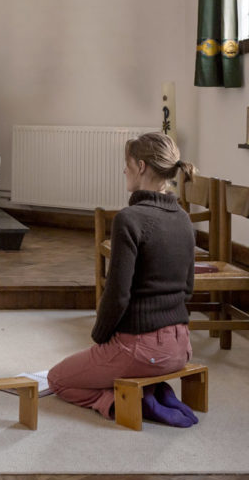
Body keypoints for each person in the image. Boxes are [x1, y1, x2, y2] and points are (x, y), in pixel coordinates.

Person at [47, 132, 200, 427]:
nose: (124, 170)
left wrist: (100, 339)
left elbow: (117, 295)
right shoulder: (183, 219)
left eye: (126, 163)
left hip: (141, 351)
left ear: (141, 167)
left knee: (58, 379)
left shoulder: (129, 219)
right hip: (181, 349)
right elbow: (188, 289)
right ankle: (154, 390)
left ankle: (133, 400)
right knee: (96, 366)